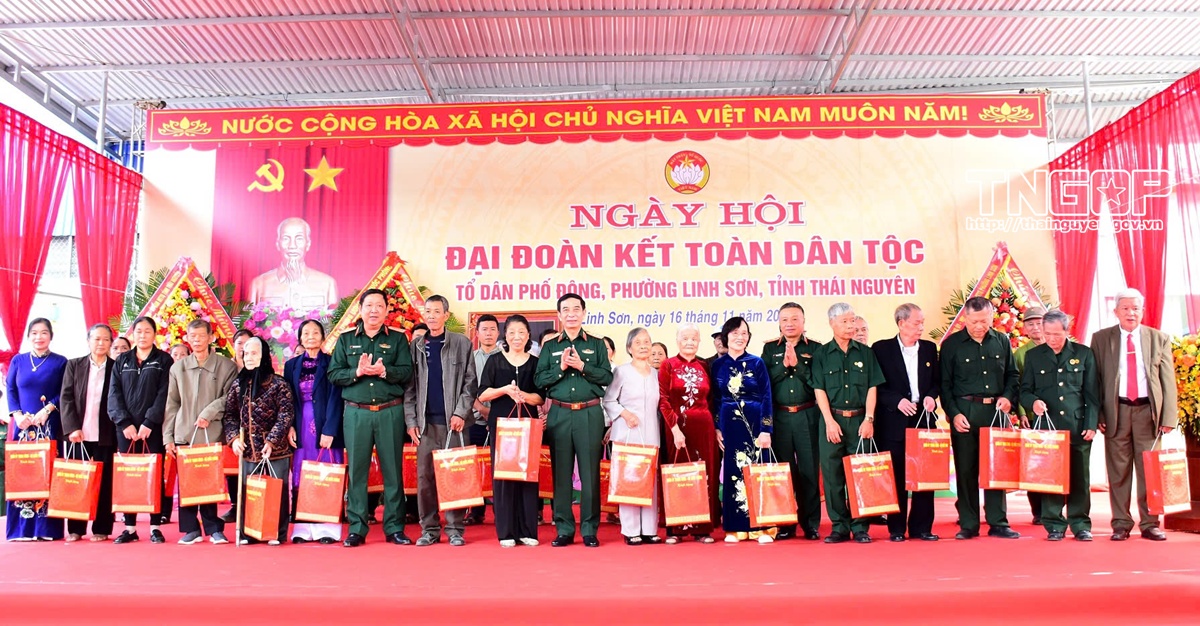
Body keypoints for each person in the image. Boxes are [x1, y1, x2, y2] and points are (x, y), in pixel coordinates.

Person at [1090, 288, 1178, 541]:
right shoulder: (1101, 338)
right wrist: (1098, 415)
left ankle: (1150, 523)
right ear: (1116, 311)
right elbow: (1095, 380)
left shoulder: (1158, 338)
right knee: (1118, 471)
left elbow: (1167, 380)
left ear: (1143, 311)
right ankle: (1121, 523)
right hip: (1115, 411)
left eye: (1136, 308)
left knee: (1149, 470)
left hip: (1148, 413)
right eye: (1126, 308)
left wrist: (1168, 417)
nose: (1131, 313)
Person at [328, 289, 414, 547]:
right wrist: (357, 372)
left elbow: (407, 372)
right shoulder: (345, 340)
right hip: (357, 413)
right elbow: (334, 374)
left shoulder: (398, 339)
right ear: (361, 309)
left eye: (379, 305)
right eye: (369, 305)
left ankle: (394, 527)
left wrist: (385, 371)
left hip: (390, 412)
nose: (374, 310)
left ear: (387, 310)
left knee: (393, 471)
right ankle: (356, 528)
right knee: (357, 472)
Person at [534, 293, 613, 548]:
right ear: (559, 315)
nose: (571, 314)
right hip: (559, 413)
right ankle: (564, 528)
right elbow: (539, 380)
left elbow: (607, 377)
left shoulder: (597, 344)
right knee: (561, 473)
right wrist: (560, 369)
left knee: (590, 474)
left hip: (589, 413)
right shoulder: (550, 347)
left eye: (576, 309)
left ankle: (589, 529)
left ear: (584, 313)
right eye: (565, 309)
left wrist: (581, 366)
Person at [941, 296, 1020, 540]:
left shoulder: (1002, 340)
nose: (979, 326)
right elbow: (944, 384)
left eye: (984, 321)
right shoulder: (952, 344)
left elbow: (1012, 375)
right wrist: (954, 414)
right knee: (966, 470)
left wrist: (1008, 397)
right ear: (965, 318)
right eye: (974, 321)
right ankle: (969, 523)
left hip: (995, 412)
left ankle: (998, 522)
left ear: (991, 317)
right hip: (965, 411)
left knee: (996, 468)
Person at [404, 295, 477, 547]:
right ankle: (430, 529)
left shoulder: (461, 343)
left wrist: (460, 413)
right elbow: (409, 387)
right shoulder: (415, 346)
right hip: (425, 425)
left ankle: (455, 529)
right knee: (425, 479)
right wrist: (411, 421)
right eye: (428, 311)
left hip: (454, 424)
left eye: (437, 311)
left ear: (446, 315)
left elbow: (470, 383)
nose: (432, 316)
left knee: (455, 476)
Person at [1021, 310, 1099, 541]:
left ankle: (1080, 523)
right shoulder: (1034, 356)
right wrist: (1033, 402)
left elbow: (1092, 393)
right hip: (1049, 428)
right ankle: (1054, 524)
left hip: (1077, 426)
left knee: (1079, 479)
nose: (1052, 339)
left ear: (1067, 331)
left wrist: (1091, 424)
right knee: (1050, 477)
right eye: (1047, 334)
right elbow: (1024, 390)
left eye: (1056, 334)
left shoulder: (1083, 354)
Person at [812, 303, 886, 544]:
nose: (850, 326)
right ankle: (839, 527)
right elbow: (819, 390)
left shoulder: (866, 353)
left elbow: (872, 387)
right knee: (832, 477)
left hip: (860, 422)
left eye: (852, 320)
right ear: (832, 323)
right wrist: (829, 421)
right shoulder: (822, 354)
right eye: (845, 321)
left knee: (859, 474)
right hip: (832, 421)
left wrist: (869, 418)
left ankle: (860, 526)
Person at [871, 303, 941, 542]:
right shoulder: (882, 349)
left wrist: (931, 396)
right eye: (916, 323)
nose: (921, 327)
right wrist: (897, 401)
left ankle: (922, 527)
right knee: (897, 475)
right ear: (901, 323)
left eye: (922, 322)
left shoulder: (929, 349)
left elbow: (937, 382)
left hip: (923, 417)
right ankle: (897, 528)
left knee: (924, 475)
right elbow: (876, 386)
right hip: (894, 419)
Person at [164, 319, 237, 545]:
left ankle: (214, 528)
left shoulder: (226, 366)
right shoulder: (178, 368)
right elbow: (172, 404)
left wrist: (209, 412)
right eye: (192, 336)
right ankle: (191, 529)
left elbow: (230, 398)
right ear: (187, 338)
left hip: (211, 433)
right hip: (184, 432)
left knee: (209, 481)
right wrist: (168, 437)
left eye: (201, 336)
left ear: (211, 337)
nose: (196, 340)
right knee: (187, 484)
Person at [477, 314, 544, 547]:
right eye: (512, 332)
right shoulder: (495, 361)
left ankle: (527, 531)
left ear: (528, 336)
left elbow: (540, 398)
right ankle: (506, 532)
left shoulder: (534, 363)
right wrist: (505, 390)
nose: (517, 337)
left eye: (522, 332)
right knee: (504, 477)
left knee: (527, 475)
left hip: (527, 426)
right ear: (505, 335)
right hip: (502, 427)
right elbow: (483, 394)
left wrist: (523, 395)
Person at [107, 316, 174, 544]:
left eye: (147, 331)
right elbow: (114, 394)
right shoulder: (122, 360)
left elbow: (165, 394)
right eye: (139, 331)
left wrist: (149, 422)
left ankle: (155, 526)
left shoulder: (163, 360)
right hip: (126, 430)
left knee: (153, 476)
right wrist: (124, 423)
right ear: (133, 334)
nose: (142, 335)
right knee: (129, 476)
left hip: (152, 429)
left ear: (154, 334)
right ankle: (130, 528)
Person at [223, 337, 294, 545]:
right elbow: (230, 415)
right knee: (249, 491)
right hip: (248, 449)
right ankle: (248, 534)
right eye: (245, 353)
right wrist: (234, 438)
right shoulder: (239, 384)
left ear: (263, 356)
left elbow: (286, 414)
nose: (249, 357)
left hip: (275, 449)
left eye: (254, 353)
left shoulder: (278, 384)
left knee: (276, 491)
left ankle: (275, 533)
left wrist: (271, 441)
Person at [762, 302, 824, 541]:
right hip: (780, 418)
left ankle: (810, 524)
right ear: (779, 322)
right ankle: (786, 523)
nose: (790, 324)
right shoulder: (769, 349)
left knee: (809, 470)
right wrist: (783, 366)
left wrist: (798, 366)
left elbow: (817, 383)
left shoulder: (816, 348)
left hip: (807, 415)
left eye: (795, 319)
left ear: (803, 322)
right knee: (784, 471)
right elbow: (765, 383)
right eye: (785, 319)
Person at [710, 316, 774, 544]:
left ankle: (761, 528)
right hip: (730, 425)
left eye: (744, 333)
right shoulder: (717, 365)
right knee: (733, 473)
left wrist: (766, 429)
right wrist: (717, 428)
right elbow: (715, 400)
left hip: (755, 424)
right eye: (735, 333)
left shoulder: (757, 363)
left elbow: (767, 396)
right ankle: (735, 528)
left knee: (757, 471)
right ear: (725, 337)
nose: (740, 337)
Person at [5, 318, 68, 541]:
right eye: (34, 333)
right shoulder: (18, 360)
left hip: (48, 424)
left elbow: (64, 391)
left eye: (43, 333)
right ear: (28, 336)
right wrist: (17, 415)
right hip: (22, 426)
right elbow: (11, 389)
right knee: (21, 471)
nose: (38, 337)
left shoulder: (60, 362)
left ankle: (46, 529)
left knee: (46, 471)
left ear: (51, 336)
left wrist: (48, 409)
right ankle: (20, 530)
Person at [283, 319, 344, 544]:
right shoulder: (291, 365)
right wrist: (289, 426)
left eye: (315, 332)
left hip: (325, 424)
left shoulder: (333, 362)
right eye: (306, 333)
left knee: (325, 473)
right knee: (302, 474)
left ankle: (327, 529)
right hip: (300, 426)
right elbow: (287, 399)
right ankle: (303, 528)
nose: (311, 336)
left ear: (323, 337)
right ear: (300, 338)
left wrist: (330, 430)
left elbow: (336, 398)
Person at [658, 324, 718, 544]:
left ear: (699, 341)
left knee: (704, 475)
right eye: (685, 338)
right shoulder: (668, 365)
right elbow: (663, 400)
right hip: (677, 428)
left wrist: (716, 427)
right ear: (677, 341)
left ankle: (702, 528)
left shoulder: (705, 366)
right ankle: (676, 529)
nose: (690, 342)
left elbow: (712, 399)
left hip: (704, 428)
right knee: (679, 474)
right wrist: (674, 429)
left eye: (694, 338)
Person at [604, 327, 663, 545]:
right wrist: (625, 414)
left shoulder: (657, 374)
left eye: (647, 342)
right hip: (627, 433)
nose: (643, 346)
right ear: (629, 348)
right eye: (638, 342)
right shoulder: (621, 371)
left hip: (651, 434)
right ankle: (630, 530)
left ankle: (649, 529)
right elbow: (609, 400)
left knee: (649, 482)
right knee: (629, 480)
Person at [59, 323, 118, 542]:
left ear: (111, 343)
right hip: (78, 434)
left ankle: (102, 528)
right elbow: (66, 397)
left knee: (105, 482)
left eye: (105, 339)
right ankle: (76, 528)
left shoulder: (116, 367)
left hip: (105, 434)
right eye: (96, 339)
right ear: (88, 341)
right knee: (76, 480)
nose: (101, 343)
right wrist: (72, 427)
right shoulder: (74, 365)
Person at [249, 217, 339, 309]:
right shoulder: (259, 284)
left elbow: (335, 317)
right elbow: (247, 317)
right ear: (278, 244)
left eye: (299, 238)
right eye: (286, 238)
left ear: (308, 244)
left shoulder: (327, 284)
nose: (292, 245)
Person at [467, 314, 502, 526]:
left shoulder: (506, 357)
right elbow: (465, 388)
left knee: (500, 466)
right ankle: (476, 511)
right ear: (477, 333)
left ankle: (501, 510)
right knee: (474, 466)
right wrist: (481, 409)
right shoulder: (470, 358)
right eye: (484, 329)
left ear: (498, 333)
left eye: (492, 329)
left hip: (500, 420)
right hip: (474, 420)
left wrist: (494, 412)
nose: (488, 333)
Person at [1013, 305, 1048, 525]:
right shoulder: (1020, 354)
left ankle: (1056, 507)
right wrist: (1021, 413)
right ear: (1025, 328)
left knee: (1057, 460)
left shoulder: (1058, 347)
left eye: (1039, 323)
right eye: (1031, 324)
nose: (1036, 328)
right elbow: (1017, 387)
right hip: (1032, 417)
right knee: (1034, 463)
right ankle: (1038, 511)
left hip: (1056, 415)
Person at [221, 328, 256, 523]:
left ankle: (252, 504)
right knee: (232, 467)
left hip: (255, 425)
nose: (243, 347)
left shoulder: (258, 365)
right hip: (232, 423)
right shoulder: (226, 368)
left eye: (247, 343)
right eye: (239, 343)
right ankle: (235, 505)